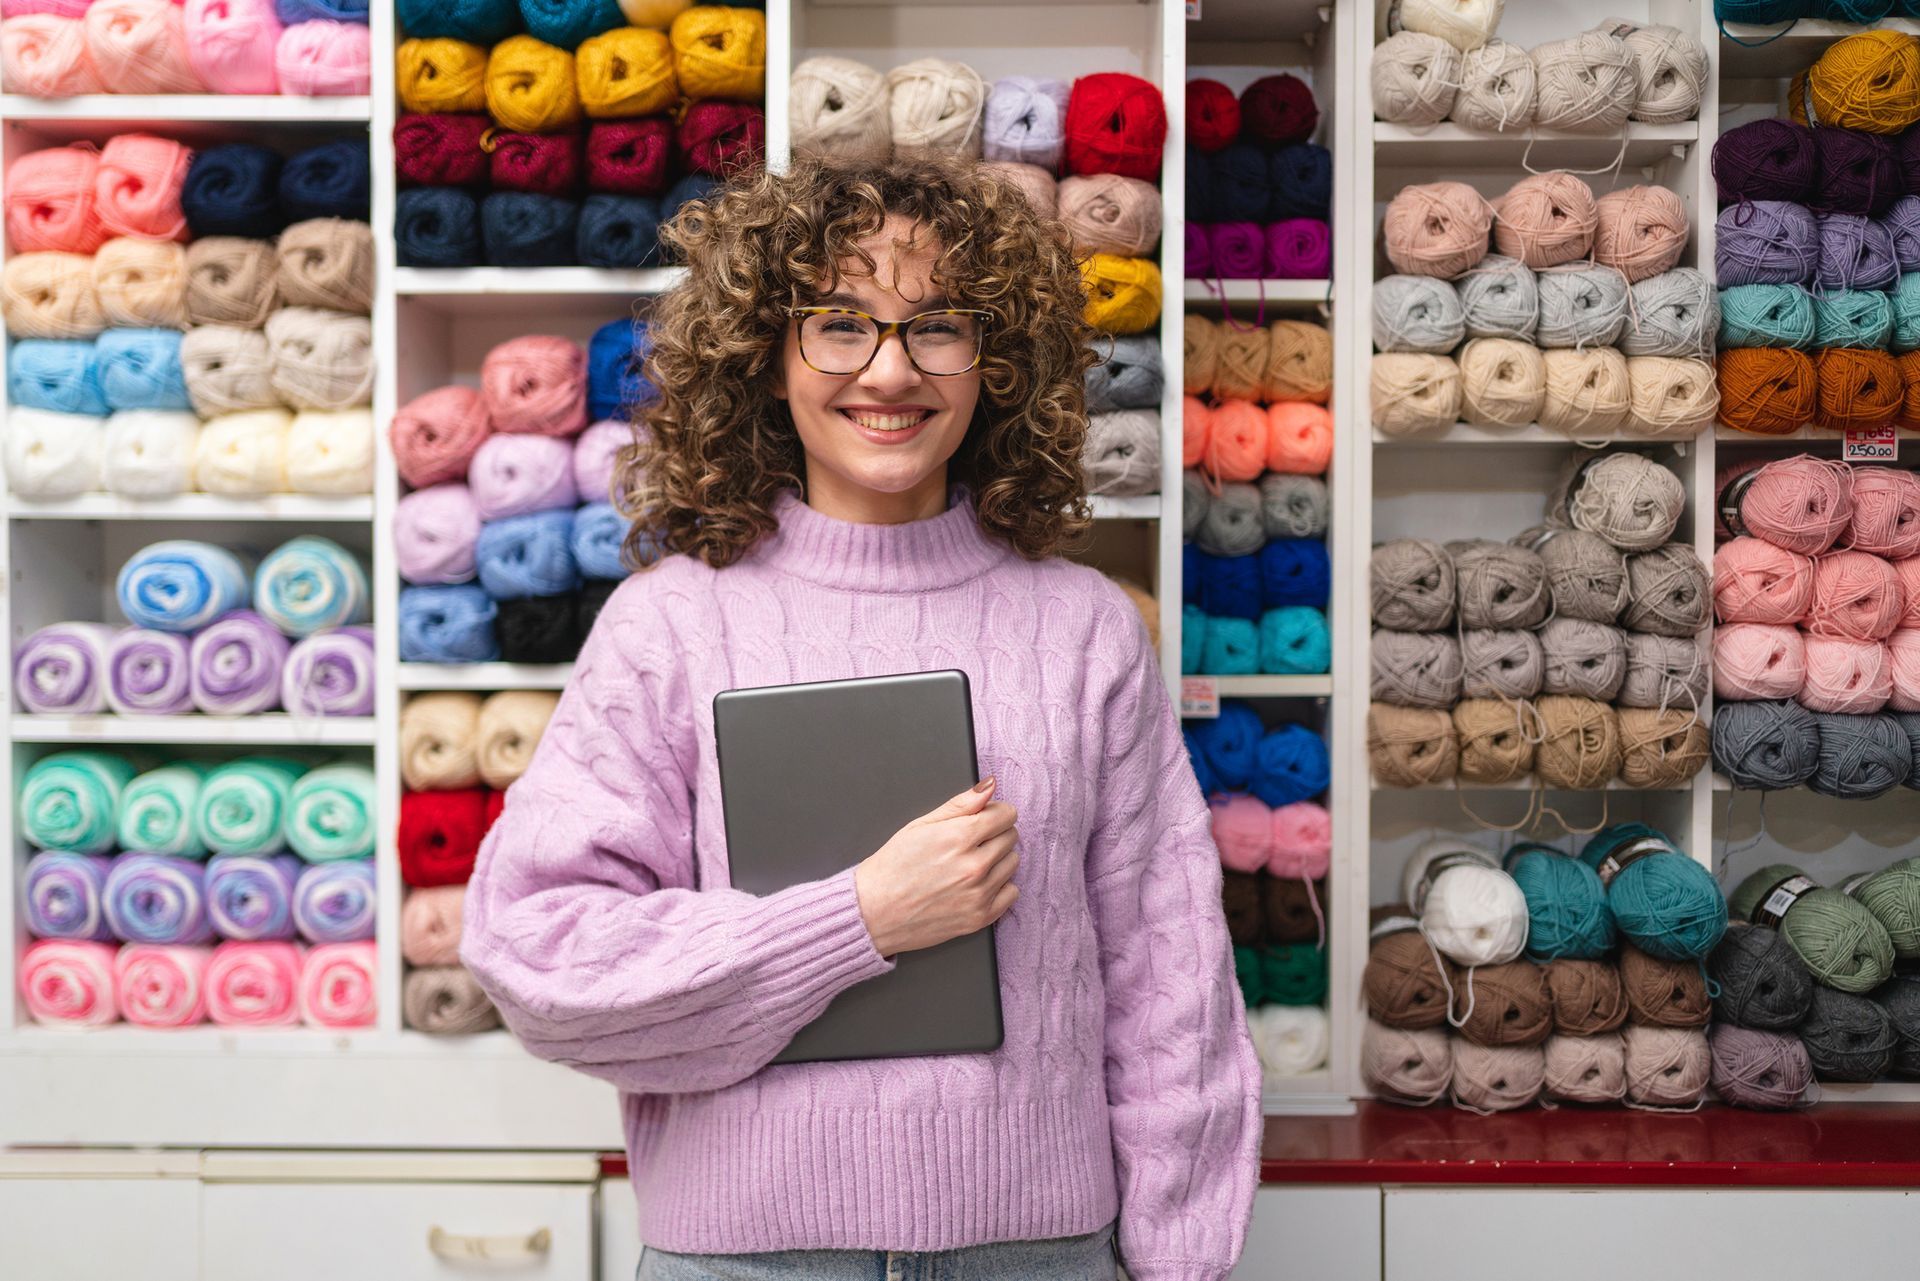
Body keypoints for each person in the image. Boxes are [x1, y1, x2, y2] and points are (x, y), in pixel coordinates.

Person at [461, 156, 1262, 1280]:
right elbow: (538, 957)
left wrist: (1181, 1259)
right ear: (767, 355)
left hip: (1036, 1251)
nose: (890, 371)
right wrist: (861, 919)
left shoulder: (1083, 629)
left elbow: (1169, 976)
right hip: (744, 1259)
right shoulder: (670, 628)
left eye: (938, 327)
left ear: (998, 362)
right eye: (840, 325)